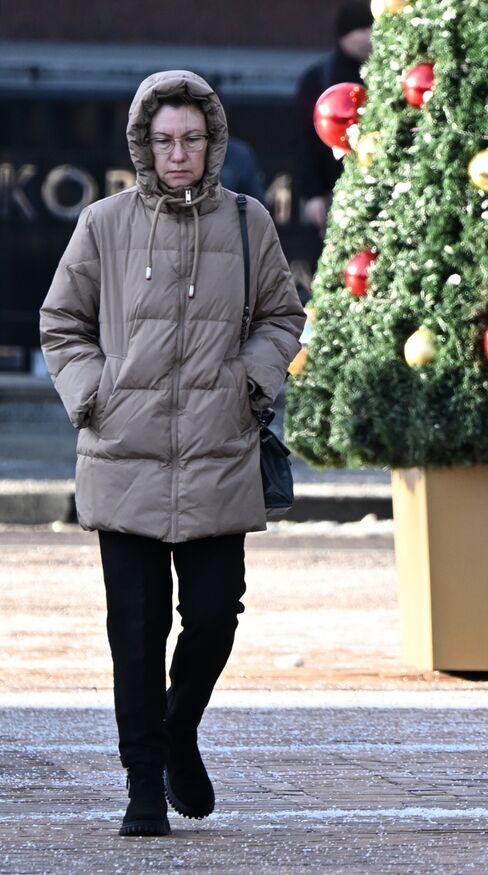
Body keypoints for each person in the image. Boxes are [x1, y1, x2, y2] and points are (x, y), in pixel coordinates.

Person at [39, 71, 305, 837]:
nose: (178, 153)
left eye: (191, 138)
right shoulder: (103, 223)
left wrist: (248, 384)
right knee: (136, 628)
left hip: (218, 449)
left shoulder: (249, 221)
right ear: (144, 146)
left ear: (212, 141)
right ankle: (143, 786)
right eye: (164, 140)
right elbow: (62, 322)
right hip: (124, 452)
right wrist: (95, 394)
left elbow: (282, 316)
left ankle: (178, 727)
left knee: (215, 615)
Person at [294, 0, 373, 233]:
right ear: (343, 35)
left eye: (372, 28)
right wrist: (313, 193)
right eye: (361, 29)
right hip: (333, 191)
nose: (368, 37)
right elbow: (304, 139)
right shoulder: (319, 78)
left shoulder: (387, 76)